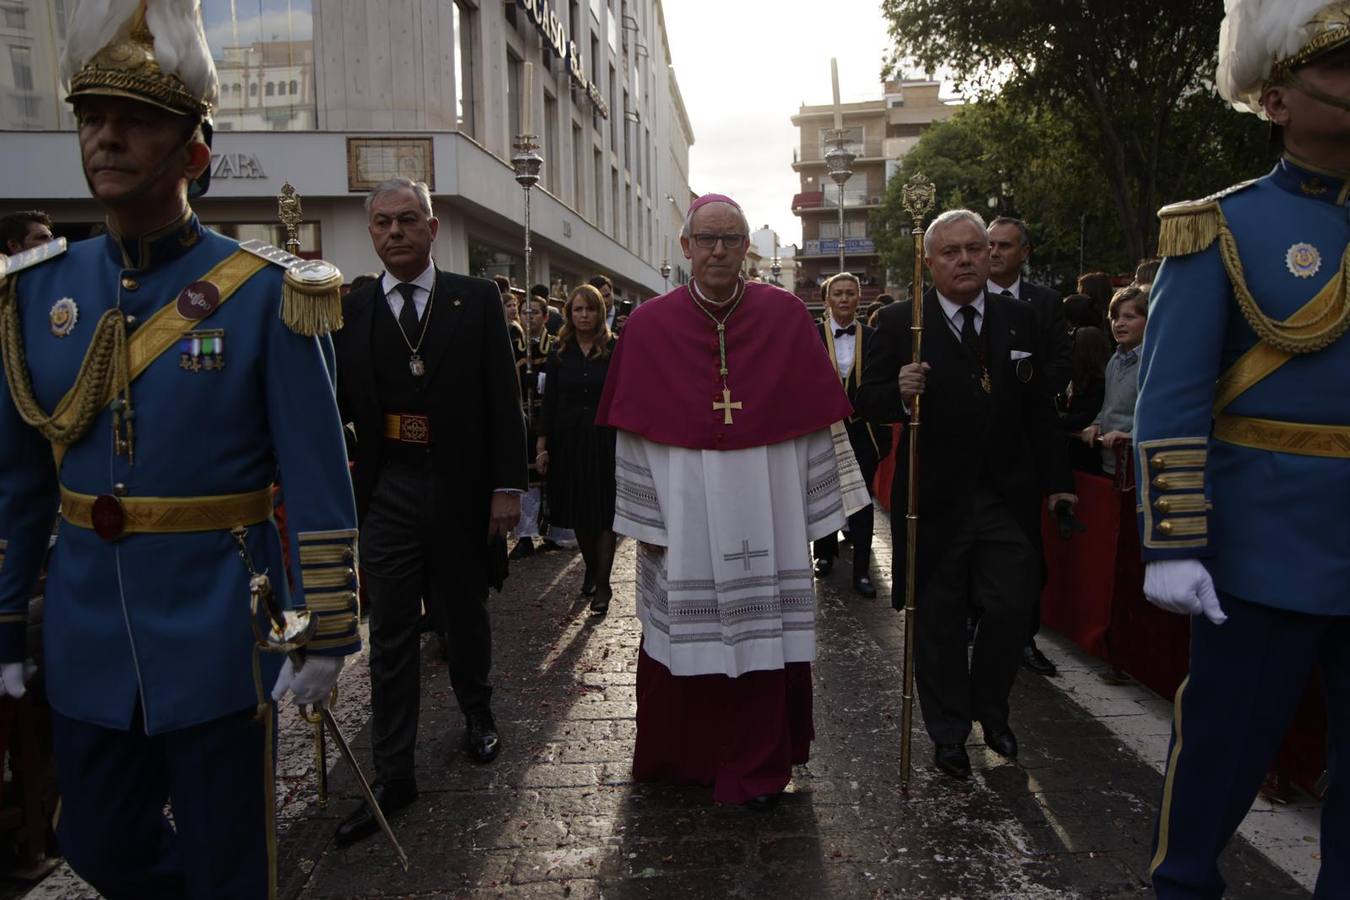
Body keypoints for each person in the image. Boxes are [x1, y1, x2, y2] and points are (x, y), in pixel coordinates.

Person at [0, 2, 357, 895]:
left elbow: (317, 476)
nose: (105, 140)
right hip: (86, 634)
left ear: (192, 152)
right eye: (92, 120)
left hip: (218, 633)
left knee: (229, 865)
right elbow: (16, 488)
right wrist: (7, 621)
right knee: (95, 843)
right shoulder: (35, 295)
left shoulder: (265, 295)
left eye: (134, 123)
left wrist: (327, 631)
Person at [1134, 4, 1349, 896]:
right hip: (1263, 541)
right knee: (1225, 745)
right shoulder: (1219, 226)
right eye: (1336, 69)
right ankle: (1184, 885)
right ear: (1274, 101)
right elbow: (1172, 396)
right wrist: (1175, 539)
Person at [596, 193, 866, 806]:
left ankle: (759, 759)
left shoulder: (788, 316)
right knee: (681, 635)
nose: (720, 250)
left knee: (764, 634)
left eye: (733, 238)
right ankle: (686, 758)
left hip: (767, 499)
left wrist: (817, 508)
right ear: (685, 247)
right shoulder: (648, 325)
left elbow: (818, 424)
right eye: (708, 239)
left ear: (749, 248)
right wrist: (645, 517)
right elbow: (632, 435)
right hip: (683, 503)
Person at [331, 177, 526, 846]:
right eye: (382, 222)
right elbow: (331, 401)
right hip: (388, 489)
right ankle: (394, 774)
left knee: (462, 612)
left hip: (460, 485)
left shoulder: (474, 300)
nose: (395, 232)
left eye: (408, 219)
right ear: (371, 231)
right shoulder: (354, 307)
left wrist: (508, 486)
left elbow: (505, 399)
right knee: (388, 630)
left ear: (433, 227)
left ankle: (478, 715)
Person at [856, 208, 1075, 780]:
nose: (966, 260)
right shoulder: (903, 320)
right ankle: (948, 731)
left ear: (992, 254)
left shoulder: (1019, 319)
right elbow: (868, 399)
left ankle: (991, 707)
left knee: (1012, 606)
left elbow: (1040, 413)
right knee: (939, 621)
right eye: (950, 252)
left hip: (1006, 496)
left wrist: (1058, 485)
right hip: (933, 499)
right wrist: (900, 394)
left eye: (975, 249)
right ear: (929, 263)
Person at [987, 215, 1074, 676]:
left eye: (1004, 246)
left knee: (1026, 551)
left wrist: (1029, 390)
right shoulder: (967, 297)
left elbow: (1060, 362)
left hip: (1025, 444)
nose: (995, 252)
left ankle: (1024, 638)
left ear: (1025, 252)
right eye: (990, 245)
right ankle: (976, 624)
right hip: (976, 448)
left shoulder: (1045, 303)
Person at [537, 285, 617, 613]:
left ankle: (603, 584)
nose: (584, 316)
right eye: (578, 310)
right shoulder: (559, 352)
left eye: (590, 309)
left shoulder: (614, 348)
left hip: (605, 440)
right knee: (580, 514)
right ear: (569, 313)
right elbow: (550, 401)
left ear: (600, 312)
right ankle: (592, 568)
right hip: (568, 440)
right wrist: (542, 444)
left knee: (605, 513)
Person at [812, 272, 891, 598]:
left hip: (863, 431)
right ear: (827, 300)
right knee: (823, 492)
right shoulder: (812, 335)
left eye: (850, 293)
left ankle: (861, 569)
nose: (844, 299)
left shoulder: (874, 337)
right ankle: (825, 553)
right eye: (838, 294)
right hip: (823, 431)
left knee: (861, 500)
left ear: (859, 299)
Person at [1080, 285, 1147, 476]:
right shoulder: (1114, 360)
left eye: (1129, 317)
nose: (1119, 323)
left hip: (1137, 465)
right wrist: (1096, 424)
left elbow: (1162, 414)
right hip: (1111, 462)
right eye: (1115, 317)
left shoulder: (1154, 363)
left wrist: (1130, 436)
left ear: (1149, 320)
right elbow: (1108, 406)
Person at [510, 294, 556, 558]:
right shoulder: (514, 344)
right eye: (525, 312)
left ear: (545, 316)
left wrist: (538, 380)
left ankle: (553, 530)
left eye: (535, 312)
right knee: (527, 478)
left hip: (548, 416)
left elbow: (562, 382)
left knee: (550, 475)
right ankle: (525, 535)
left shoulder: (557, 345)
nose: (529, 317)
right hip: (524, 417)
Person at [1057, 325, 1112, 474]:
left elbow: (1087, 417)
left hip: (1090, 453)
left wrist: (1055, 420)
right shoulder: (1075, 378)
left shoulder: (1100, 382)